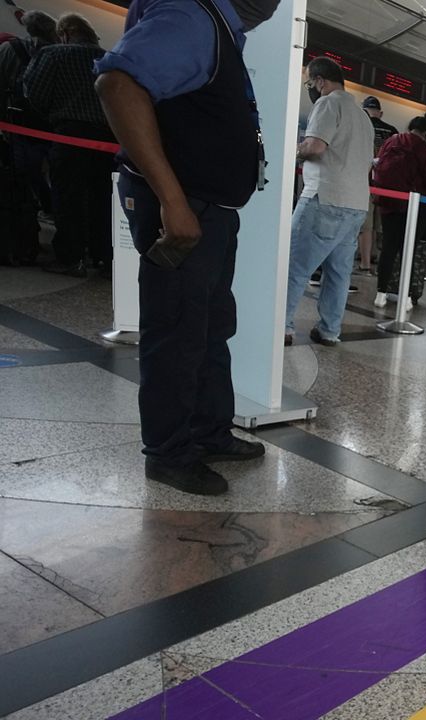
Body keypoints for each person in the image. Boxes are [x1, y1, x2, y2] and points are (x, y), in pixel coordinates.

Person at [95, 0, 282, 496]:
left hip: (210, 207)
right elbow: (117, 85)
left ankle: (208, 431)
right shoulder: (192, 17)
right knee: (177, 329)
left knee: (210, 325)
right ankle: (169, 452)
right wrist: (172, 201)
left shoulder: (219, 27)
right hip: (184, 209)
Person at [282, 56, 374, 347]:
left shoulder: (328, 103)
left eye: (311, 83)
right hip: (357, 205)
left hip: (325, 197)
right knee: (338, 273)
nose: (311, 88)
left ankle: (281, 326)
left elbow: (316, 147)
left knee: (294, 265)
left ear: (321, 81)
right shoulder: (362, 115)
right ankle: (329, 330)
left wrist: (292, 149)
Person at [24, 13, 115, 278]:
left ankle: (71, 258)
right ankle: (105, 258)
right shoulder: (108, 58)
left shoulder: (53, 55)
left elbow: (35, 94)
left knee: (68, 199)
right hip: (107, 140)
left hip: (69, 136)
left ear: (64, 33)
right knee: (103, 200)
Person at [372, 114, 426, 307]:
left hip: (388, 203)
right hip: (413, 207)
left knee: (388, 247)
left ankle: (381, 293)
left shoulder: (392, 141)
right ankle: (407, 297)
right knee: (408, 249)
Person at [1, 10, 56, 226]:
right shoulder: (57, 52)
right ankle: (52, 210)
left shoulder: (9, 49)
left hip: (19, 121)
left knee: (25, 172)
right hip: (54, 125)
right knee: (57, 175)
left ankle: (29, 220)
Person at [355, 96, 398, 274]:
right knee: (380, 226)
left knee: (365, 226)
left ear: (364, 110)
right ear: (380, 112)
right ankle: (379, 260)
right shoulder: (393, 131)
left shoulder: (361, 126)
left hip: (363, 182)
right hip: (387, 185)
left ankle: (365, 262)